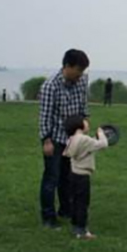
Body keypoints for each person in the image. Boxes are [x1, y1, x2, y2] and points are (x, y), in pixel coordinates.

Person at [39, 49, 90, 229]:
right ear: (67, 66)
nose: (80, 75)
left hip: (73, 138)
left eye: (83, 71)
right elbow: (45, 116)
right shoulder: (50, 86)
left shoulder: (81, 82)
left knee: (68, 177)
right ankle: (48, 217)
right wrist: (47, 141)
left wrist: (84, 122)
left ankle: (66, 210)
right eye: (78, 70)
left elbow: (83, 106)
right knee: (51, 178)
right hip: (54, 137)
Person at [63, 115, 108, 240]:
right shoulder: (84, 139)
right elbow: (103, 144)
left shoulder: (72, 139)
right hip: (83, 177)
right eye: (85, 122)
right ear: (79, 126)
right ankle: (82, 231)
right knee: (83, 203)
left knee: (75, 201)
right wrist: (101, 134)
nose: (88, 123)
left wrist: (95, 138)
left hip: (73, 174)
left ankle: (75, 226)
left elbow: (88, 146)